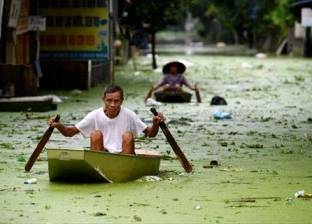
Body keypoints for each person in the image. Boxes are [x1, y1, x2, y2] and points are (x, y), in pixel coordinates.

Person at [49, 85, 165, 154]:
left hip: (125, 156)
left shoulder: (129, 115)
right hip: (103, 155)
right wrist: (59, 125)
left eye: (116, 101)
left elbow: (151, 134)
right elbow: (70, 132)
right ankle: (98, 165)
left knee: (128, 136)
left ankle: (124, 166)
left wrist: (155, 124)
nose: (113, 104)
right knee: (95, 134)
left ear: (122, 101)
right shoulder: (94, 115)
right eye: (109, 100)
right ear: (104, 100)